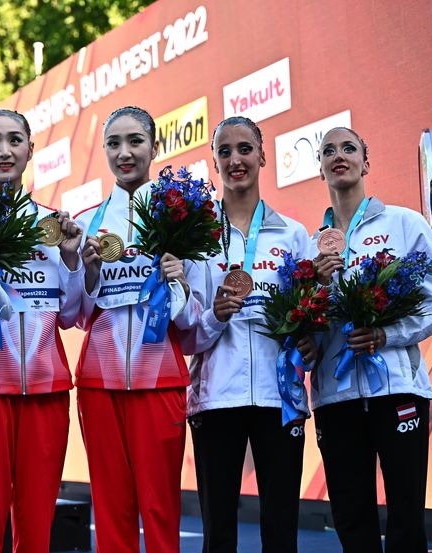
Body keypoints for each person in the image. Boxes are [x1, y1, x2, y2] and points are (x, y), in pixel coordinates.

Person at [311, 127, 432, 553]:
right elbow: (306, 327)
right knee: (351, 518)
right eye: (328, 151)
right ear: (321, 169)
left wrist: (385, 335)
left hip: (398, 390)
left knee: (407, 516)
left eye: (348, 148)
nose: (339, 155)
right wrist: (312, 300)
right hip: (336, 397)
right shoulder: (309, 244)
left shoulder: (404, 224)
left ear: (365, 163)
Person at [0, 109, 83, 552]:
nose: (4, 150)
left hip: (46, 389)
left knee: (37, 522)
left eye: (14, 140)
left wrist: (70, 259)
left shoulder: (52, 226)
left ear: (30, 149)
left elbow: (69, 314)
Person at [74, 105, 203, 552]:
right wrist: (87, 276)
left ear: (154, 146)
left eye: (135, 141)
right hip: (98, 383)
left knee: (161, 508)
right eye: (114, 143)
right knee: (111, 508)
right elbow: (75, 314)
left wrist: (179, 282)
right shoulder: (90, 220)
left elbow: (190, 321)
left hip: (160, 380)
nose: (124, 153)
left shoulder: (181, 216)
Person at [184, 116, 314, 553]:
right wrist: (216, 317)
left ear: (262, 155)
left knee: (282, 527)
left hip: (280, 398)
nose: (235, 160)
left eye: (244, 149)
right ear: (214, 162)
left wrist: (306, 343)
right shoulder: (198, 239)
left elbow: (309, 319)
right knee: (218, 530)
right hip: (216, 396)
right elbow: (184, 337)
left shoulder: (294, 235)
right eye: (225, 151)